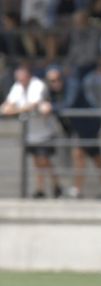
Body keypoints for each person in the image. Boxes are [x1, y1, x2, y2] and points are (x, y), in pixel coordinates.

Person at [43, 66, 101, 199]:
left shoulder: (72, 85)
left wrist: (51, 108)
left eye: (58, 79)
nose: (55, 83)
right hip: (78, 128)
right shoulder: (52, 91)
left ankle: (77, 190)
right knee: (96, 158)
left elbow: (68, 104)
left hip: (89, 125)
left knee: (79, 154)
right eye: (52, 81)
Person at [1, 64, 61, 198]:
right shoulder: (17, 86)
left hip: (45, 131)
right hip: (30, 133)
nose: (20, 80)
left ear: (28, 76)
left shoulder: (38, 85)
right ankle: (42, 189)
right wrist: (11, 108)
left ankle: (55, 185)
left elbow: (32, 105)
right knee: (37, 162)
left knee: (44, 160)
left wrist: (14, 110)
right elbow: (7, 105)